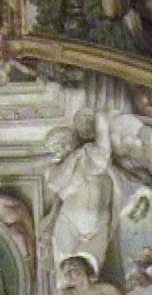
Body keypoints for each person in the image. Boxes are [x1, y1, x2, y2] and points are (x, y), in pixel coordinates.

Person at [43, 113, 115, 282]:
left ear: (71, 141)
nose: (59, 149)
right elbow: (57, 182)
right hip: (70, 222)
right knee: (66, 271)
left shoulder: (89, 155)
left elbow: (103, 155)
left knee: (92, 272)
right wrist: (74, 157)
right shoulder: (53, 169)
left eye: (61, 143)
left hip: (99, 223)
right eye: (55, 147)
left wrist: (101, 118)